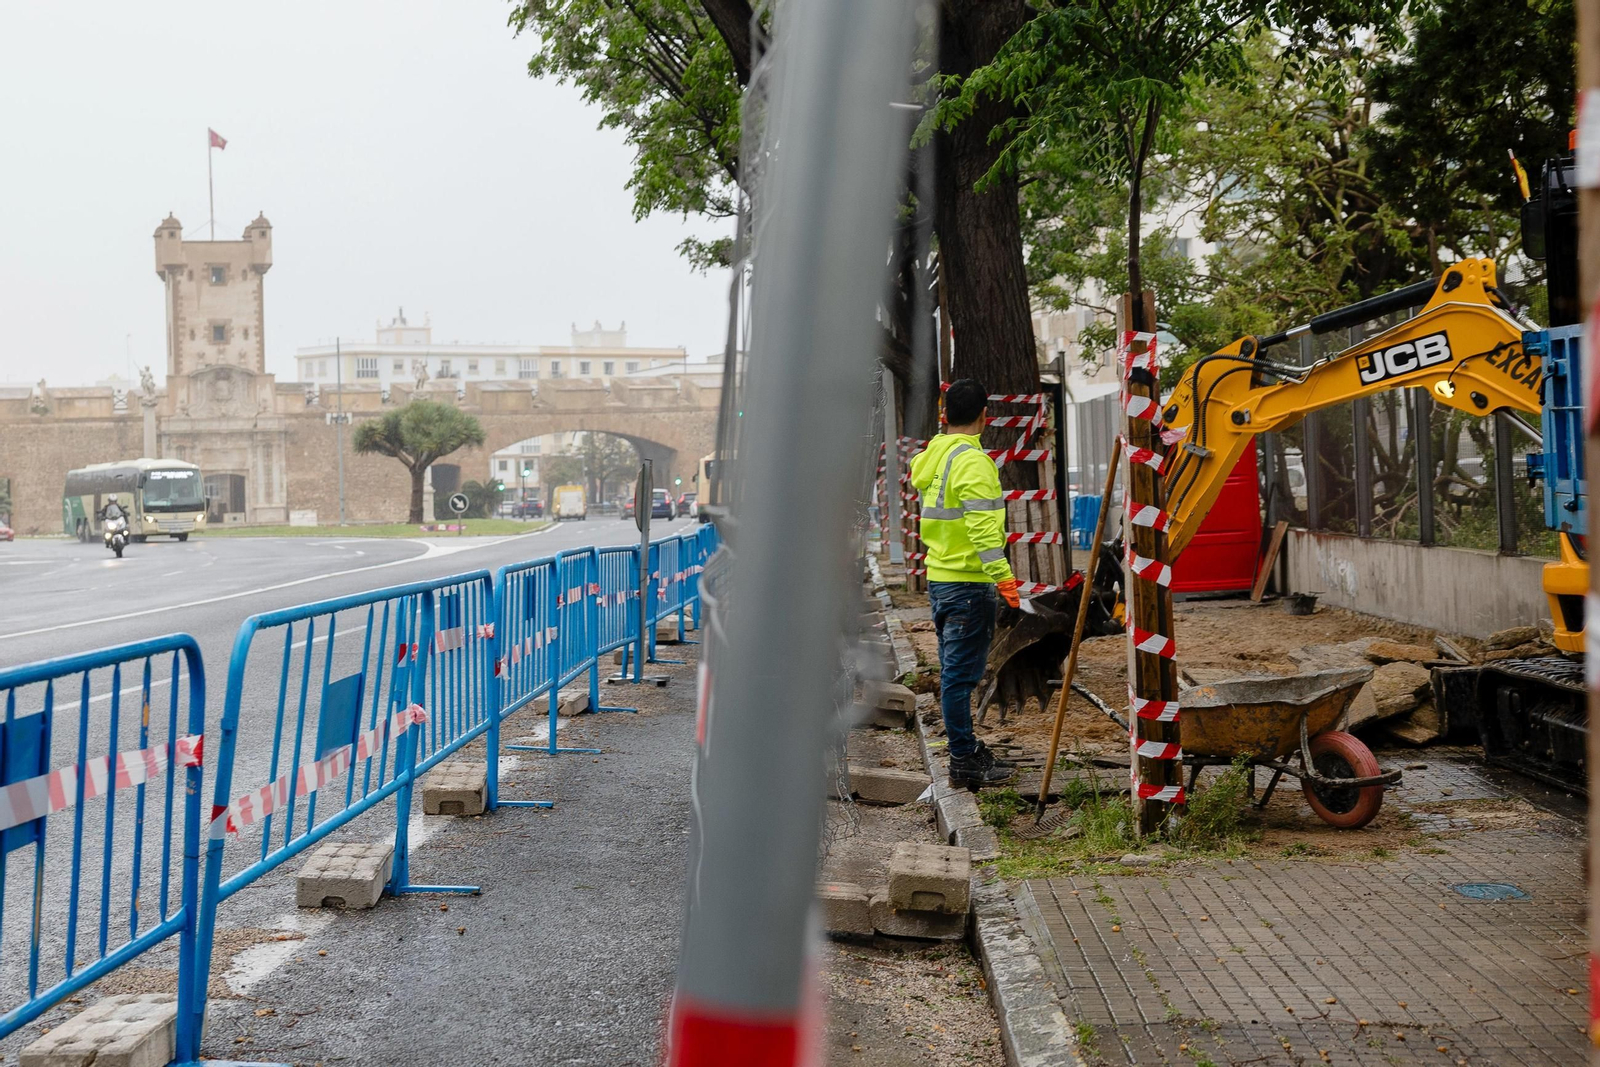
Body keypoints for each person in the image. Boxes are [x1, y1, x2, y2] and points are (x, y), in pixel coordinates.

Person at [909, 378, 1021, 789]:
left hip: (940, 580)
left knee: (954, 674)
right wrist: (1005, 580)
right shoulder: (973, 462)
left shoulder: (934, 456)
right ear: (984, 417)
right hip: (968, 585)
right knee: (959, 678)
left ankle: (967, 749)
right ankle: (963, 760)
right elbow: (982, 528)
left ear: (944, 416)